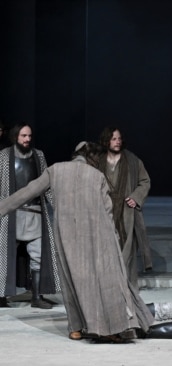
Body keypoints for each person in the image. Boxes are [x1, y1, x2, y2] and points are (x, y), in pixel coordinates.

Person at [0, 141, 153, 341]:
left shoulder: (56, 170)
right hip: (99, 236)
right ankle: (106, 325)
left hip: (67, 236)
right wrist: (115, 240)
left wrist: (2, 208)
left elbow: (28, 191)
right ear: (93, 159)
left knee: (71, 281)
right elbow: (107, 212)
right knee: (101, 281)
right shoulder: (97, 176)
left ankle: (76, 328)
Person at [0, 123, 57, 309]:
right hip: (11, 214)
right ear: (15, 136)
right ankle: (1, 295)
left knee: (38, 255)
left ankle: (37, 296)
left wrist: (57, 205)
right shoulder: (3, 157)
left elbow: (46, 184)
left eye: (29, 136)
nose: (27, 139)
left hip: (34, 213)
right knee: (3, 255)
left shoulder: (38, 156)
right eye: (23, 136)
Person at [98, 126, 152, 289]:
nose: (117, 142)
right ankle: (109, 286)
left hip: (126, 212)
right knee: (105, 247)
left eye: (119, 139)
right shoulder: (98, 161)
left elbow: (145, 181)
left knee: (127, 249)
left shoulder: (132, 161)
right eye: (113, 139)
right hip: (105, 210)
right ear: (106, 140)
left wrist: (136, 197)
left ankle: (129, 287)